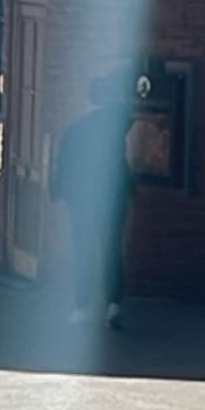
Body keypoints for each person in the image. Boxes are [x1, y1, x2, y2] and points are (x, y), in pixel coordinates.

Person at [50, 76, 135, 327]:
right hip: (114, 195)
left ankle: (82, 305)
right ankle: (114, 302)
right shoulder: (117, 122)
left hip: (82, 198)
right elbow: (124, 111)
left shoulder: (75, 129)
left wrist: (61, 192)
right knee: (112, 249)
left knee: (83, 250)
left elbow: (63, 164)